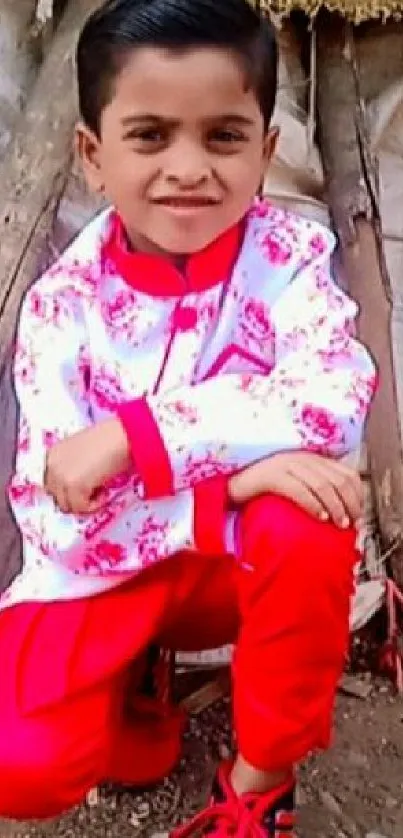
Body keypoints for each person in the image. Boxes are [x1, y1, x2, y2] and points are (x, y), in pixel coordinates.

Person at [0, 0, 376, 832]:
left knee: (308, 518)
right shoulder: (62, 307)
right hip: (103, 570)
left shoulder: (289, 262)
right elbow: (56, 506)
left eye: (223, 136)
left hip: (226, 568)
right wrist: (232, 475)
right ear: (92, 157)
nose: (188, 168)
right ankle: (137, 694)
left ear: (267, 149)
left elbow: (331, 400)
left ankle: (256, 784)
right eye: (149, 135)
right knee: (20, 774)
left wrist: (138, 438)